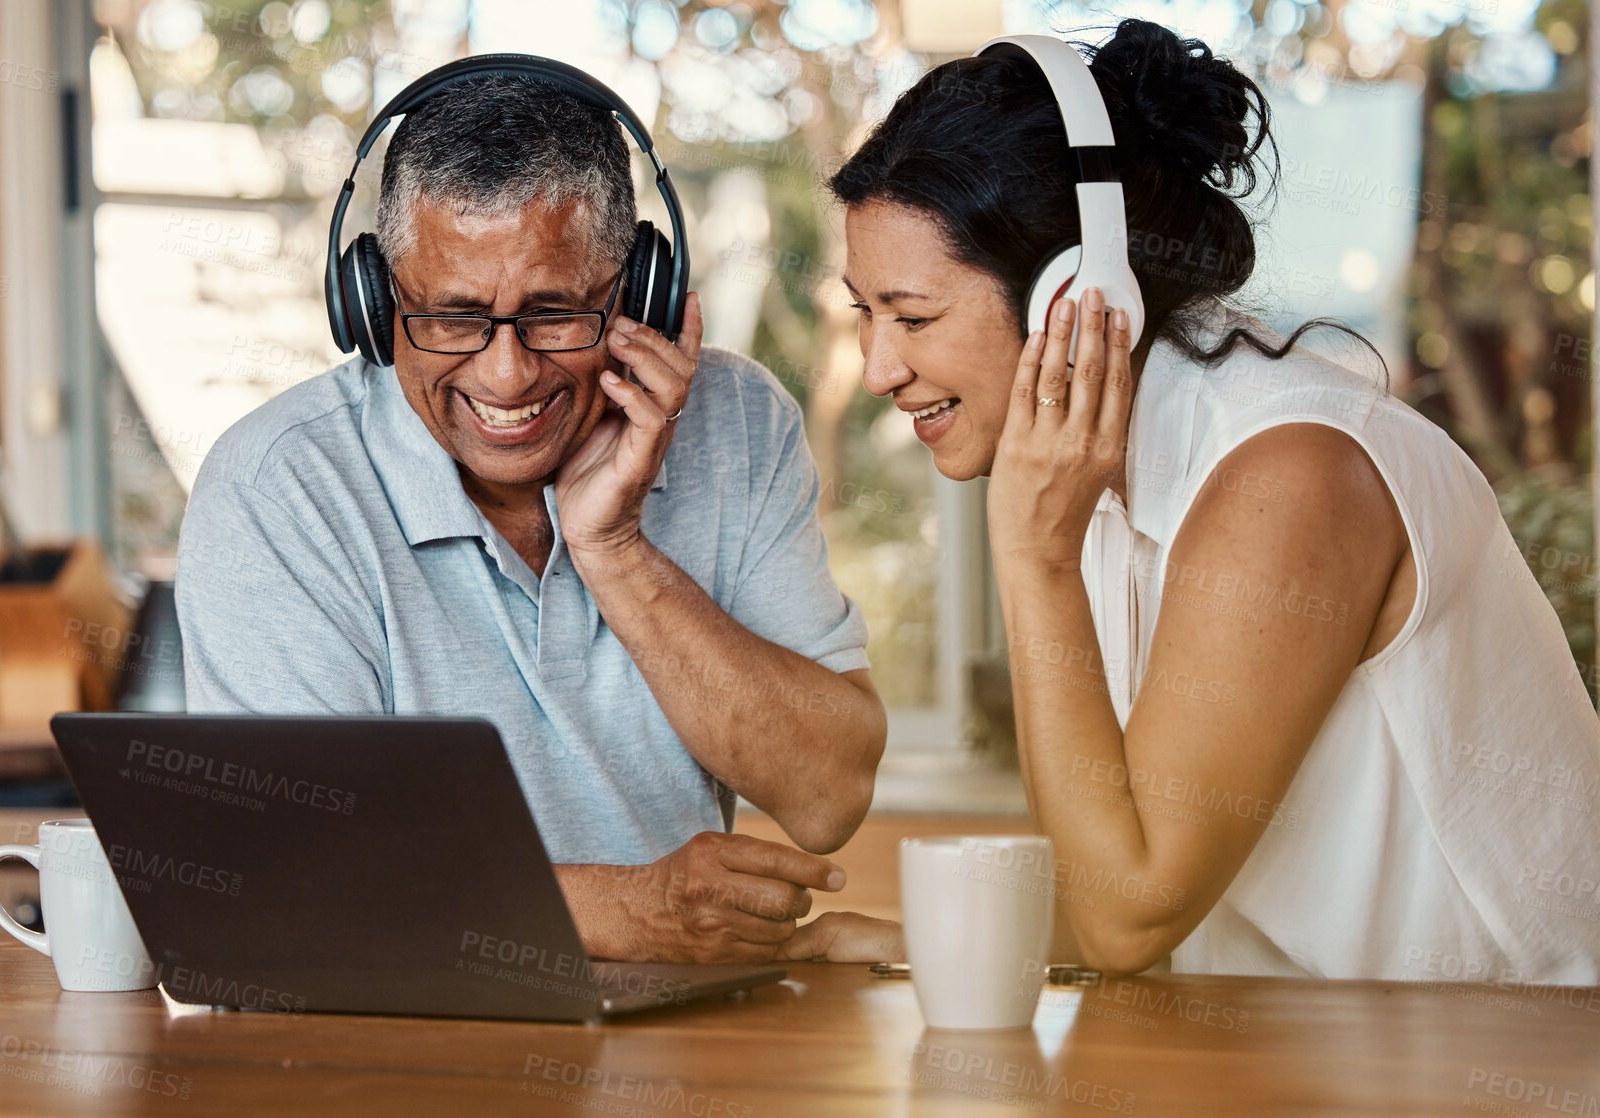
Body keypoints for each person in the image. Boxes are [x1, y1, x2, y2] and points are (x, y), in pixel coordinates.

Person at [782, 19, 1600, 982]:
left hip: (1505, 1052)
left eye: (912, 316)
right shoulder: (1112, 481)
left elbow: (1127, 921)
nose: (879, 368)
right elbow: (1119, 884)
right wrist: (917, 943)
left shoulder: (1293, 476)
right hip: (1309, 1049)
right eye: (864, 312)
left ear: (1074, 296)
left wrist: (1032, 560)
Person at [176, 68, 887, 964]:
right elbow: (289, 881)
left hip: (677, 1049)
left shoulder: (735, 425)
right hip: (385, 1046)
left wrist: (615, 550)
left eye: (554, 315)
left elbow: (827, 795)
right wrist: (629, 912)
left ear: (638, 294)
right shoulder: (279, 487)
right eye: (452, 317)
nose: (506, 376)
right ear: (372, 301)